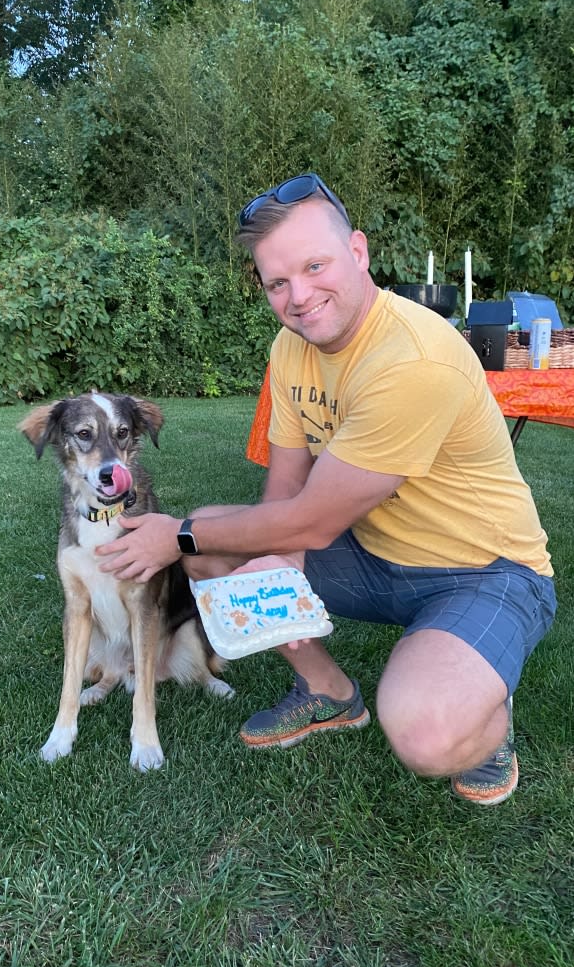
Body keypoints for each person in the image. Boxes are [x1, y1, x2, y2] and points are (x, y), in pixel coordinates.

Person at [97, 172, 557, 805]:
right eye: (277, 282)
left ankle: (487, 719)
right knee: (216, 543)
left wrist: (175, 535)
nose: (299, 296)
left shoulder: (413, 357)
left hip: (485, 569)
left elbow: (309, 523)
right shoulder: (292, 349)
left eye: (315, 266)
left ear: (359, 252)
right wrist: (266, 570)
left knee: (428, 733)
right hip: (371, 555)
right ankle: (329, 693)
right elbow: (284, 499)